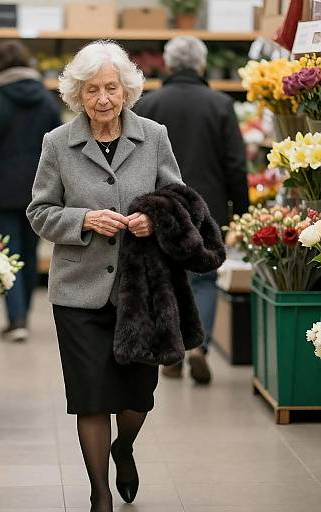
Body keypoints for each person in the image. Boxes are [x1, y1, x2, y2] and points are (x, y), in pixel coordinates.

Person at [27, 41, 183, 512]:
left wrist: (156, 220)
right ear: (77, 94)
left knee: (139, 395)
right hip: (79, 291)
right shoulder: (57, 143)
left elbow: (178, 199)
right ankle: (99, 494)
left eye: (110, 88)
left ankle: (125, 447)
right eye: (91, 89)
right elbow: (39, 212)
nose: (102, 99)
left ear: (126, 89)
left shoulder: (153, 135)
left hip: (141, 291)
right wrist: (83, 220)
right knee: (91, 398)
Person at [134, 36, 249, 384]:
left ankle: (172, 353)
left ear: (168, 65)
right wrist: (240, 213)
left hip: (161, 208)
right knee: (204, 278)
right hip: (207, 208)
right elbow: (235, 165)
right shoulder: (220, 105)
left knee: (164, 279)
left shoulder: (148, 104)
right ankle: (199, 346)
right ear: (201, 65)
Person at [0, 40, 61, 342]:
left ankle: (16, 318)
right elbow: (59, 142)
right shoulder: (46, 99)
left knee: (7, 253)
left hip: (1, 187)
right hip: (39, 187)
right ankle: (25, 316)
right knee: (30, 252)